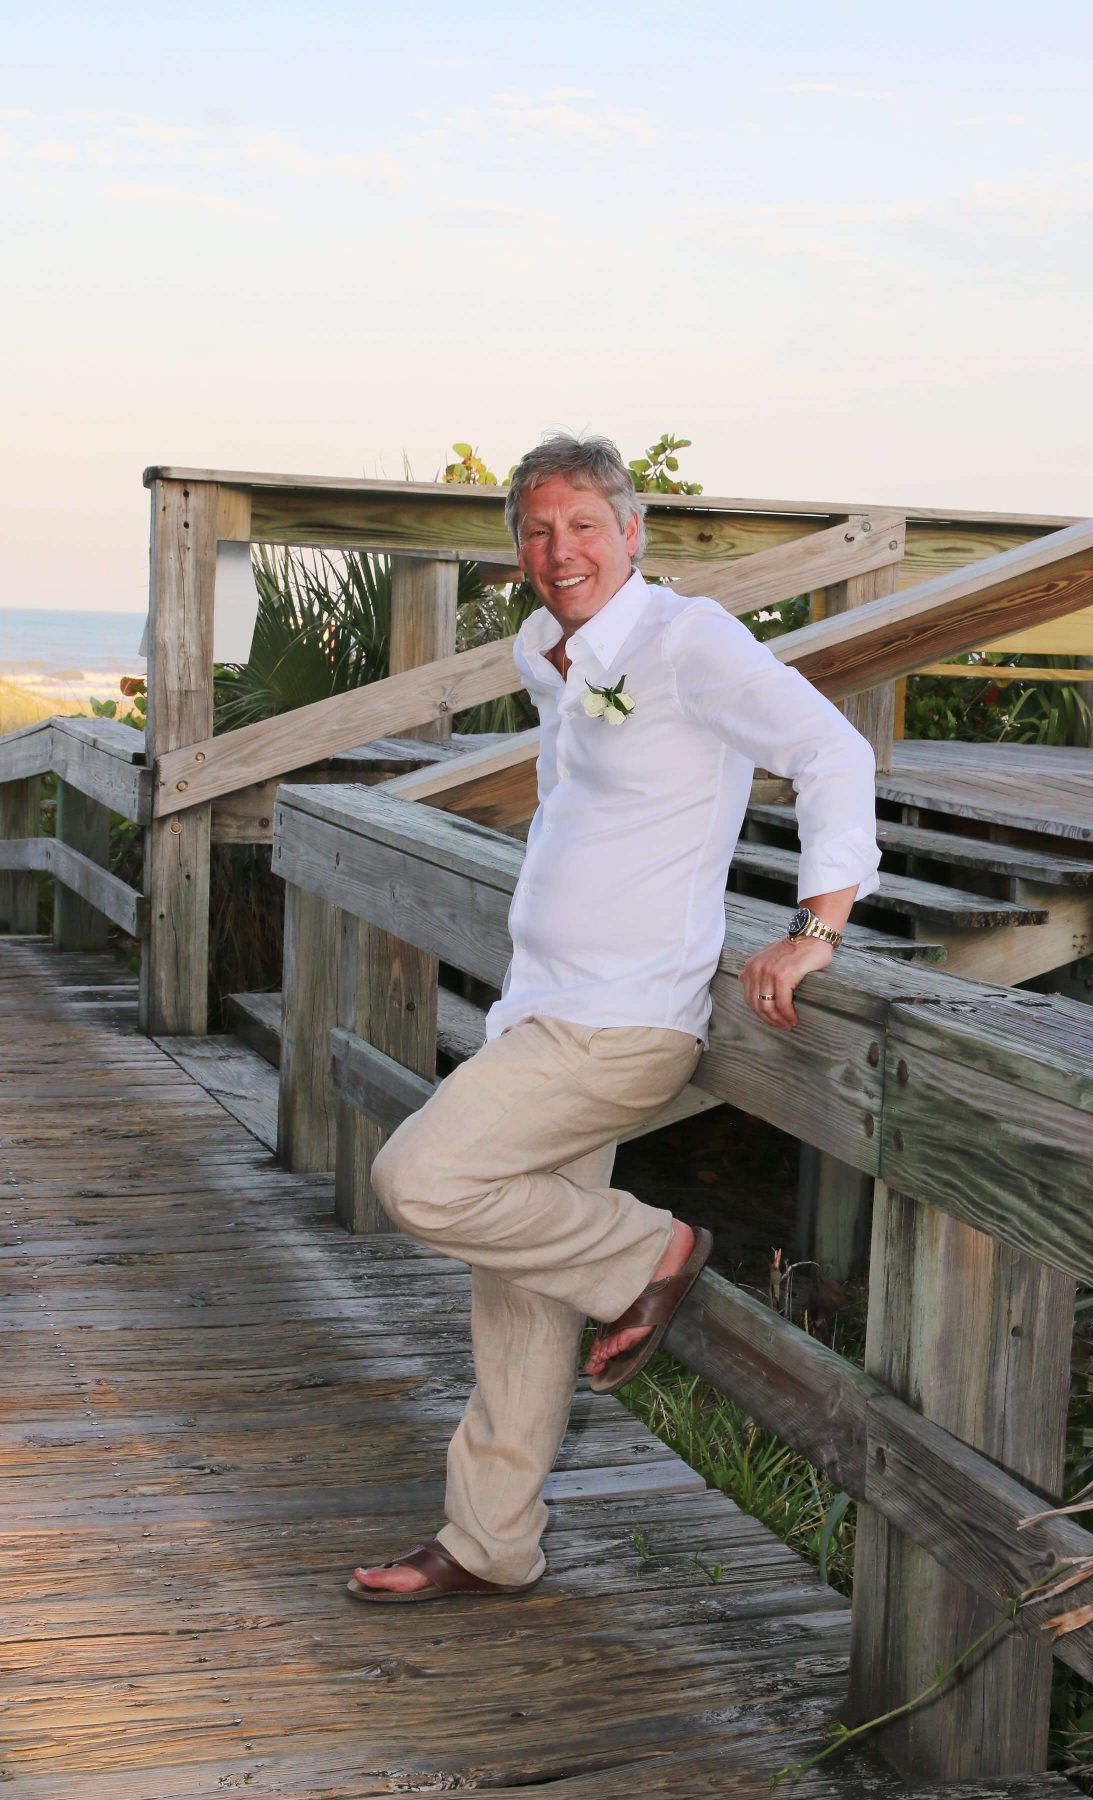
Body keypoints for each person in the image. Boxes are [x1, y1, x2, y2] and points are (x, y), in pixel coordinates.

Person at [348, 433, 880, 1604]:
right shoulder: (550, 646)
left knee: (422, 1180)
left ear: (633, 532)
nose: (560, 550)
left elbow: (832, 752)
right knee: (521, 1297)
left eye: (584, 524)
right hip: (543, 1003)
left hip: (623, 1021)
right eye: (537, 532)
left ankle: (655, 1249)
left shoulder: (689, 642)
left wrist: (817, 930)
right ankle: (489, 1541)